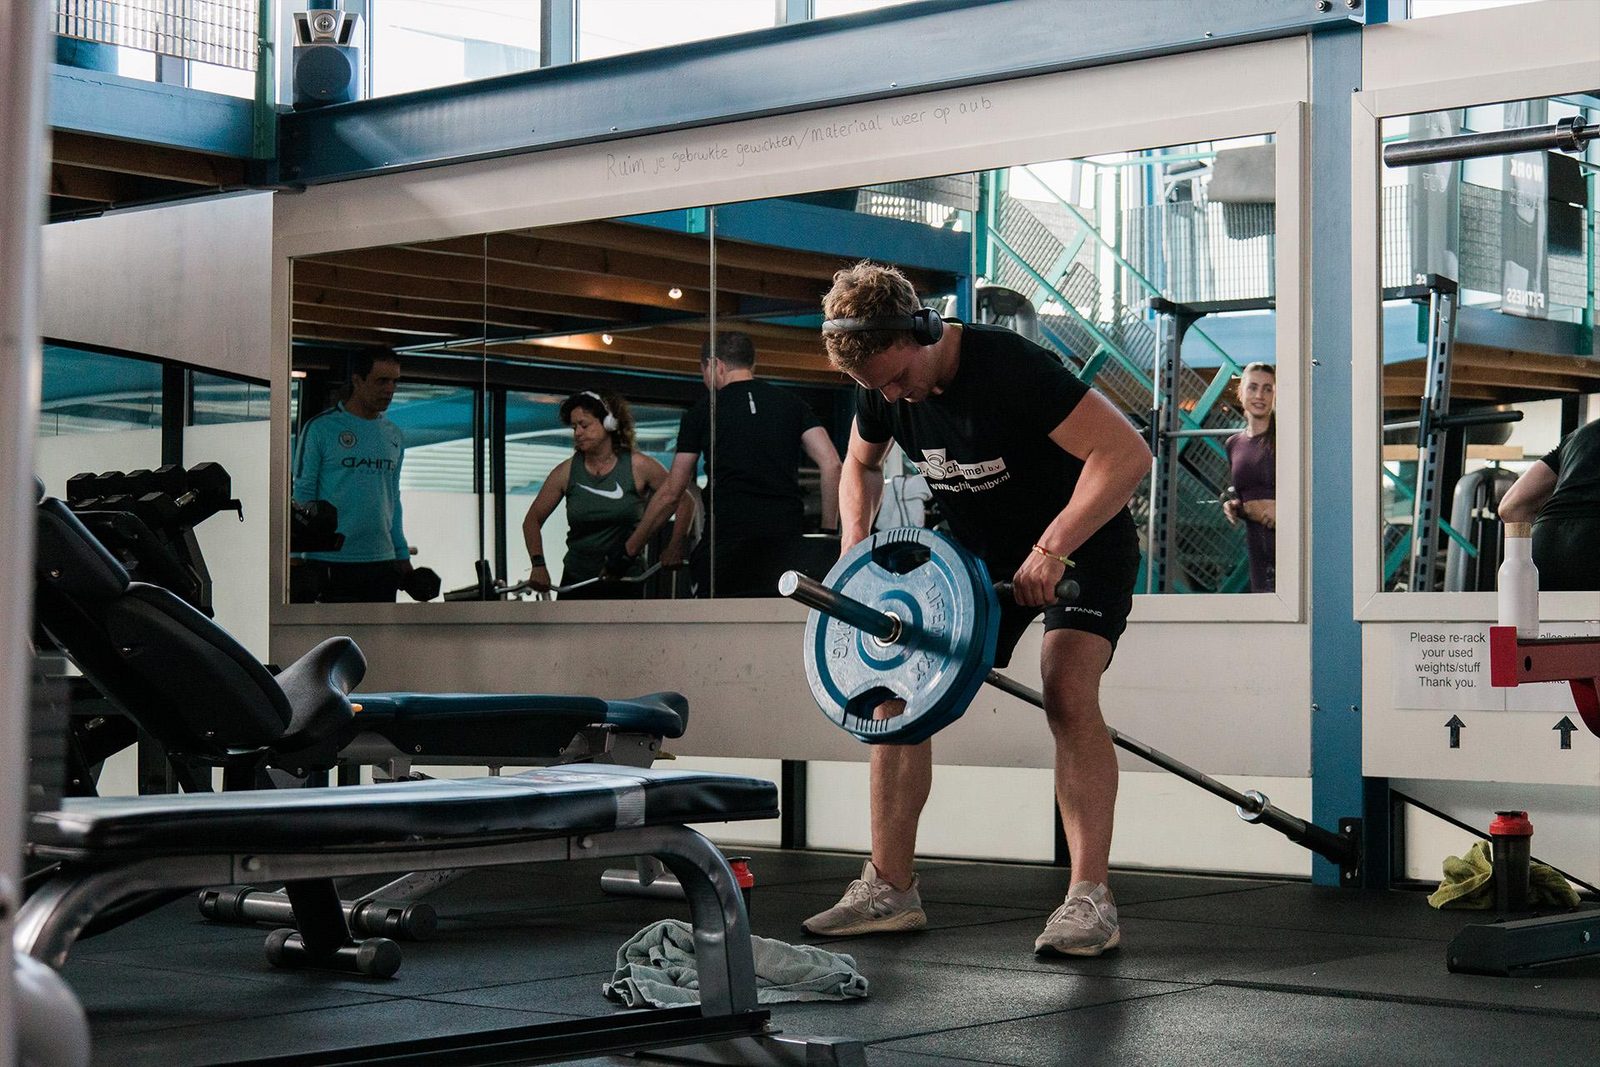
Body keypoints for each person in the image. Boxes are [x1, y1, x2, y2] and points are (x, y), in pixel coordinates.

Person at [801, 261, 1150, 958]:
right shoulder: (881, 387)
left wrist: (1052, 547)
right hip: (975, 555)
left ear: (922, 328)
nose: (894, 396)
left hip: (1081, 543)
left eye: (898, 379)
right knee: (894, 694)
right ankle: (891, 888)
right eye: (877, 389)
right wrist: (854, 555)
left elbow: (1124, 454)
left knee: (1066, 686)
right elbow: (861, 465)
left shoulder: (1011, 366)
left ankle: (1090, 900)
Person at [621, 331, 843, 597]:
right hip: (785, 542)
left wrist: (629, 550)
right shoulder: (792, 403)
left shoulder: (703, 411)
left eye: (703, 370)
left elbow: (672, 491)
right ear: (751, 364)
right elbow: (832, 464)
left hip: (727, 545)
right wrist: (829, 531)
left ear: (716, 365)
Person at [521, 390, 693, 599]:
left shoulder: (639, 466)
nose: (577, 433)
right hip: (578, 580)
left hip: (627, 579)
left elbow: (684, 501)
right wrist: (538, 564)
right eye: (574, 427)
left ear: (609, 423)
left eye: (584, 425)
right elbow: (532, 520)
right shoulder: (565, 472)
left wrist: (675, 545)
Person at [291, 351, 413, 602]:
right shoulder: (321, 428)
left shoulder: (394, 435)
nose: (390, 389)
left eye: (395, 381)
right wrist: (294, 554)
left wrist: (401, 554)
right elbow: (303, 492)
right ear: (358, 381)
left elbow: (393, 499)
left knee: (379, 642)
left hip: (381, 560)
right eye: (382, 381)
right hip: (329, 560)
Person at [1496, 416, 1600, 590]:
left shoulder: (1580, 436)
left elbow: (1511, 507)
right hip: (1593, 545)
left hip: (1544, 549)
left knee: (1540, 616)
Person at [1222, 362, 1277, 593]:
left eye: (1268, 389)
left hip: (1290, 547)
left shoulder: (1288, 437)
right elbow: (1241, 490)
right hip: (1257, 550)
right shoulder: (1234, 444)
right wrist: (1232, 504)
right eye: (1253, 387)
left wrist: (1286, 510)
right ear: (1241, 392)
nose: (1259, 395)